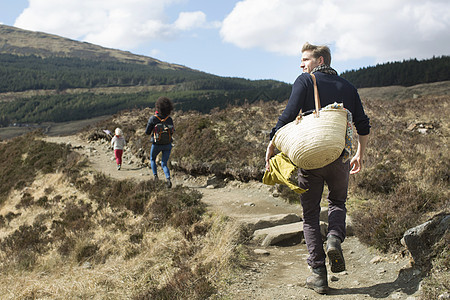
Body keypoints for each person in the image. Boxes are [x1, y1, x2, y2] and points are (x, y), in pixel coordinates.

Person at [265, 42, 371, 294]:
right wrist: (359, 153)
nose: (301, 65)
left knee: (311, 215)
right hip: (339, 157)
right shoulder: (348, 86)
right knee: (337, 203)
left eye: (305, 59)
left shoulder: (305, 81)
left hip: (310, 157)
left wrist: (272, 143)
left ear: (320, 61)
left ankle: (318, 275)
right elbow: (363, 125)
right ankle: (334, 238)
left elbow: (288, 116)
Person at [145, 96, 175, 188]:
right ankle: (168, 179)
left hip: (156, 144)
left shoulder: (153, 119)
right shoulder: (169, 119)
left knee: (153, 159)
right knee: (164, 163)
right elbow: (172, 131)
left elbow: (147, 132)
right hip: (167, 144)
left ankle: (155, 176)